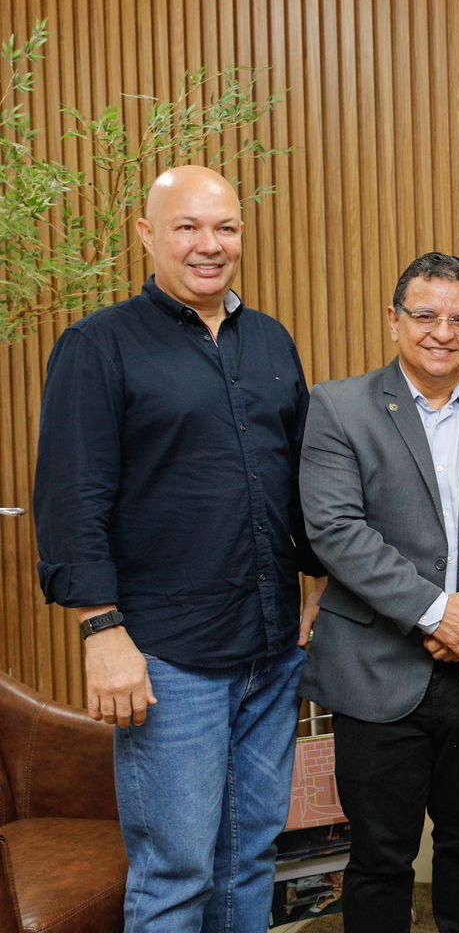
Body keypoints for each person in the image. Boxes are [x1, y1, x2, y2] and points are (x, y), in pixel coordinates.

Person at [32, 165, 326, 931]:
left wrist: (316, 578)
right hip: (168, 656)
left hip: (269, 645)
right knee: (177, 873)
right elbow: (71, 498)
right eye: (188, 227)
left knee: (252, 859)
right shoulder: (97, 346)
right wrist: (102, 631)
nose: (209, 244)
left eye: (224, 227)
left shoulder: (270, 339)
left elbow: (294, 473)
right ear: (147, 236)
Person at [297, 251, 459, 933]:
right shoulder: (338, 406)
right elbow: (334, 528)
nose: (443, 331)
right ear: (394, 320)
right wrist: (436, 611)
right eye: (426, 314)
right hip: (376, 670)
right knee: (381, 858)